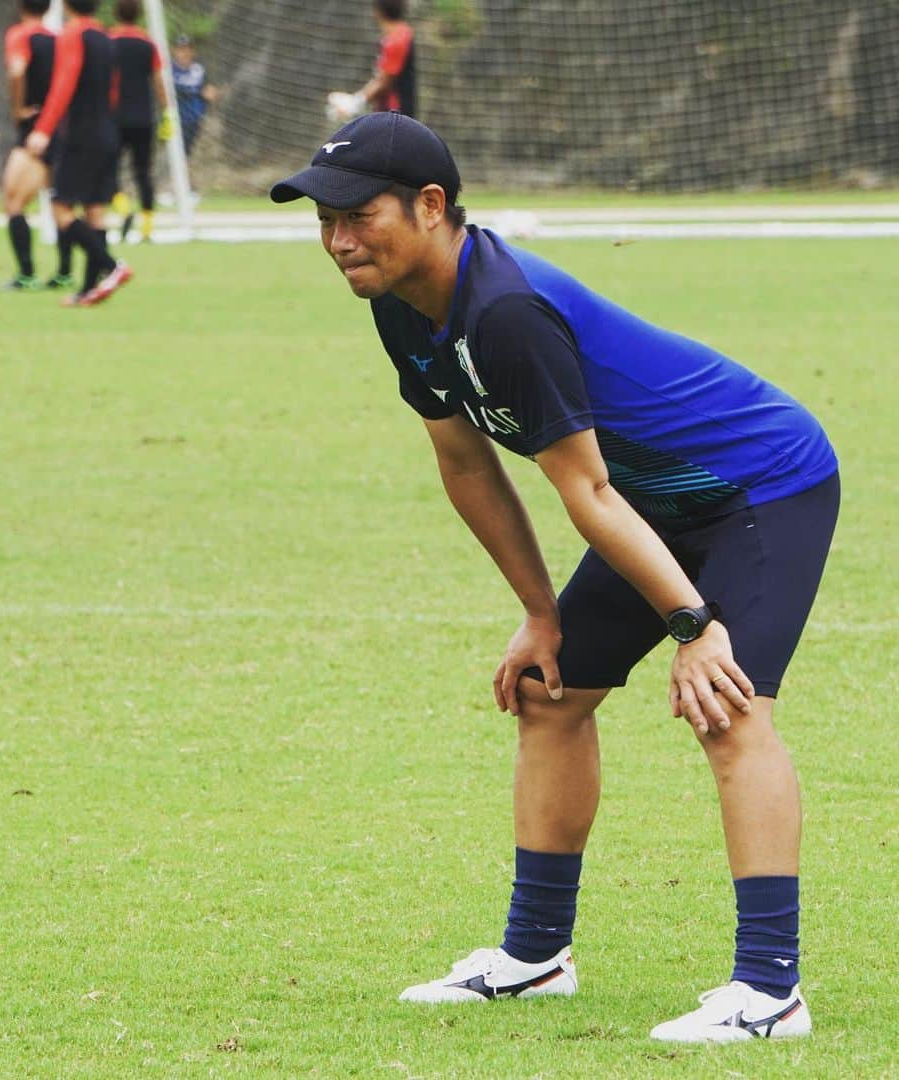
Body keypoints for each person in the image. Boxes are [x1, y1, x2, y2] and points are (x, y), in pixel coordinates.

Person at [270, 113, 839, 1043]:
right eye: (322, 220)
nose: (337, 240)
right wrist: (540, 616)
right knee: (550, 693)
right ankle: (536, 958)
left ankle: (771, 991)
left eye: (356, 215)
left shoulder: (505, 311)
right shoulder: (398, 303)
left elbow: (589, 490)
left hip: (762, 484)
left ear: (430, 205)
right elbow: (465, 466)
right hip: (649, 501)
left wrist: (695, 628)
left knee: (728, 707)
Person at [26, 0, 132, 307]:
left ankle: (112, 266)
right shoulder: (105, 37)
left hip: (81, 134)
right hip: (107, 131)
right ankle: (89, 289)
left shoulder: (72, 34)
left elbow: (64, 83)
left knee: (60, 207)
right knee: (95, 211)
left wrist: (43, 129)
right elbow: (113, 91)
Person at [0, 0, 74, 290]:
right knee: (61, 202)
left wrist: (17, 108)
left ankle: (26, 273)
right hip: (61, 127)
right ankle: (65, 272)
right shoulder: (58, 40)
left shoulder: (19, 35)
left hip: (34, 129)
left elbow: (17, 71)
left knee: (14, 202)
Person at [109, 0, 170, 243]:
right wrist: (167, 112)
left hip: (114, 117)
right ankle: (147, 228)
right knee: (143, 172)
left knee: (108, 169)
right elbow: (158, 80)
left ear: (116, 14)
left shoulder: (109, 41)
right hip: (143, 117)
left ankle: (124, 209)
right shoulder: (148, 43)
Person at [327, 0, 416, 123]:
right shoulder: (398, 35)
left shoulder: (397, 40)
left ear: (377, 11)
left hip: (395, 117)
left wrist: (353, 103)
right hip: (390, 113)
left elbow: (384, 82)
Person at [170, 34, 218, 157]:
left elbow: (210, 91)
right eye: (181, 49)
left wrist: (209, 95)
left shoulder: (199, 70)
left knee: (186, 154)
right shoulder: (168, 70)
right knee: (174, 155)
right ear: (174, 51)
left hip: (193, 122)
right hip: (173, 121)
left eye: (188, 49)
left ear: (193, 52)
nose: (185, 53)